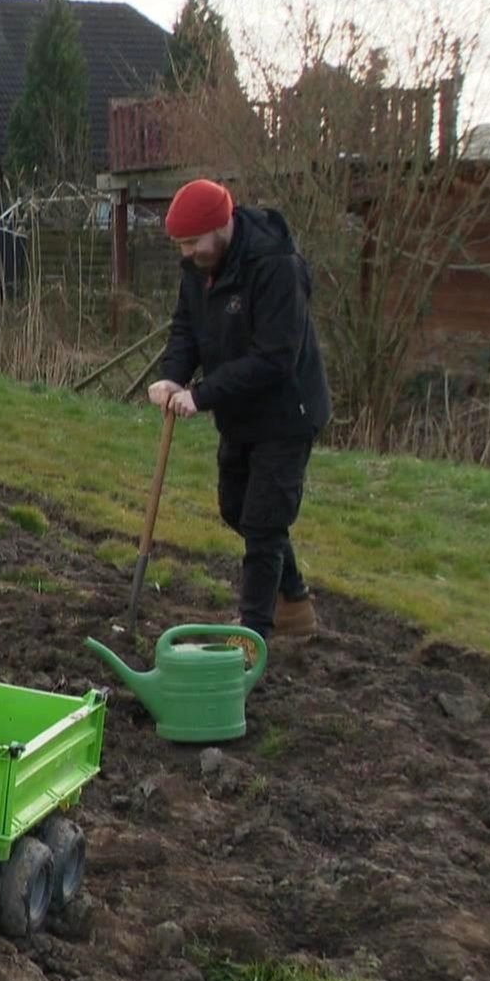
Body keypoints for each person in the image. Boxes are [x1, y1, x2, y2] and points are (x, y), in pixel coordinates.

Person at [147, 178, 331, 644]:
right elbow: (187, 326)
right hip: (241, 413)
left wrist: (204, 394)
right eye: (181, 244)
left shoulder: (275, 265)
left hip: (287, 411)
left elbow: (276, 356)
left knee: (265, 522)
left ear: (222, 225)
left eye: (193, 242)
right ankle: (294, 601)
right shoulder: (199, 266)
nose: (186, 253)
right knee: (236, 509)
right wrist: (173, 375)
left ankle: (254, 634)